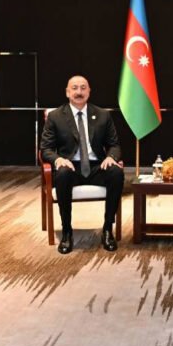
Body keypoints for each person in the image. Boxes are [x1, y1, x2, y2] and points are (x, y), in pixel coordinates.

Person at [40, 75, 124, 255]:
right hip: (70, 166)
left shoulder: (102, 114)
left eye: (83, 88)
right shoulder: (55, 116)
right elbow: (45, 148)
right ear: (67, 92)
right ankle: (67, 231)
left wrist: (111, 157)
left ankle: (107, 229)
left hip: (96, 166)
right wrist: (57, 159)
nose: (79, 92)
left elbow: (114, 145)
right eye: (75, 88)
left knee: (116, 173)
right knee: (62, 174)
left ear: (89, 91)